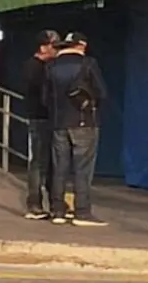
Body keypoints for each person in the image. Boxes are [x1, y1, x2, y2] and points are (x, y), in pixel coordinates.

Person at [43, 32, 108, 227]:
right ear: (82, 45)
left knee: (59, 168)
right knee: (82, 169)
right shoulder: (88, 64)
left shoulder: (51, 66)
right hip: (84, 122)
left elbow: (45, 99)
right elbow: (102, 92)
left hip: (58, 123)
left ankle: (57, 211)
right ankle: (82, 212)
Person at [21, 30, 58, 219]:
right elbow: (38, 91)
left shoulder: (50, 66)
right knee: (38, 162)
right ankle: (34, 203)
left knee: (53, 162)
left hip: (51, 118)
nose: (56, 51)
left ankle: (54, 202)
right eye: (53, 46)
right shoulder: (33, 67)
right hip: (39, 117)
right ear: (43, 47)